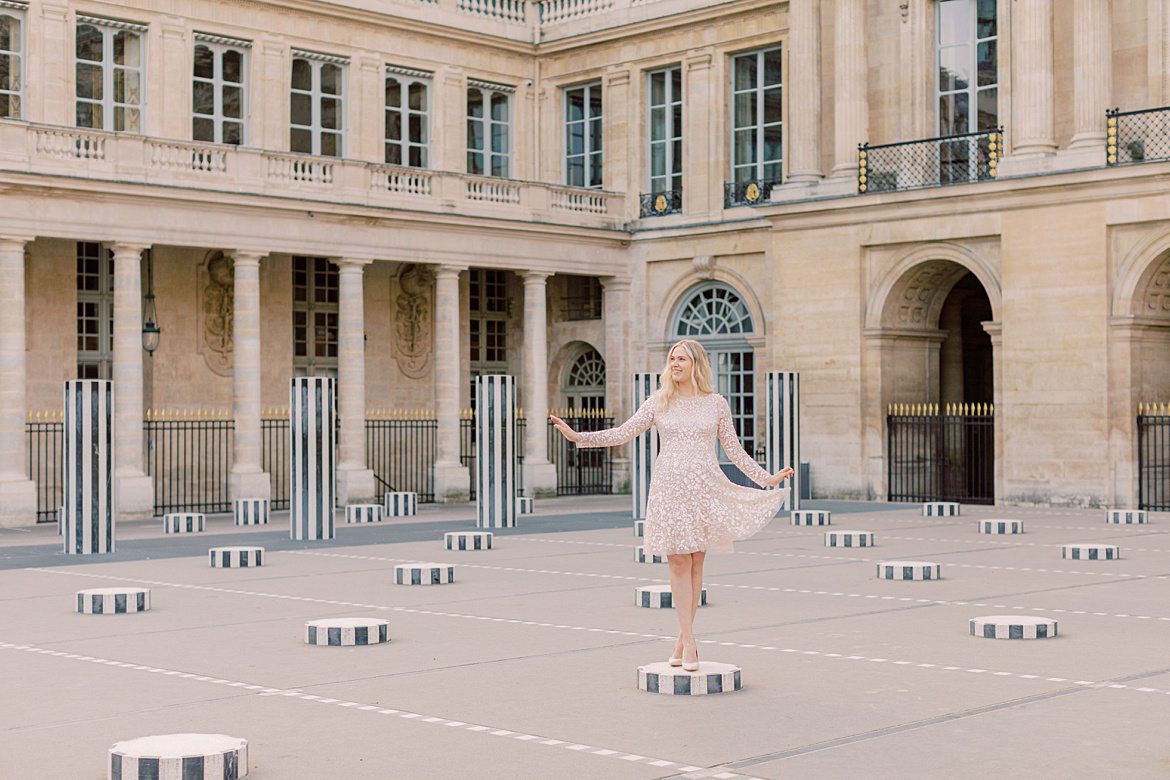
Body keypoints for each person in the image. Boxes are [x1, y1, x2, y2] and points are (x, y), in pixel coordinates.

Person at [551, 338, 792, 672]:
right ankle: (691, 642)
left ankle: (682, 638)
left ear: (696, 364)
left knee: (695, 562)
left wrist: (766, 478)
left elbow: (734, 451)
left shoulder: (716, 403)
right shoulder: (660, 401)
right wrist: (580, 437)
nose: (675, 364)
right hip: (668, 488)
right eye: (671, 358)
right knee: (678, 560)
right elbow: (623, 433)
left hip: (704, 487)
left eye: (681, 359)